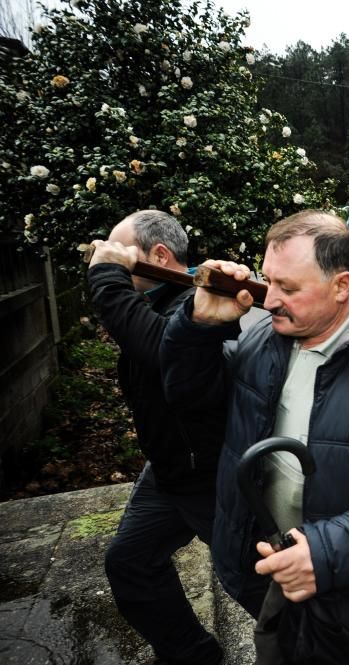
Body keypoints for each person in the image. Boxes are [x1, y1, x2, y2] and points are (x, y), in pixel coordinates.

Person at [160, 211, 349, 664]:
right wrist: (198, 328)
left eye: (289, 288)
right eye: (269, 280)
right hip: (258, 561)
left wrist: (325, 553)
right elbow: (187, 399)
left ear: (341, 286)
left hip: (345, 584)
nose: (269, 299)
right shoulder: (263, 335)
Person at [86, 210, 227, 665]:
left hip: (210, 476)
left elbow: (164, 352)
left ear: (160, 256)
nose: (111, 256)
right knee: (130, 562)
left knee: (260, 583)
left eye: (122, 250)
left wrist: (109, 277)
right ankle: (192, 655)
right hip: (169, 472)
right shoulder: (159, 301)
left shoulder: (204, 302)